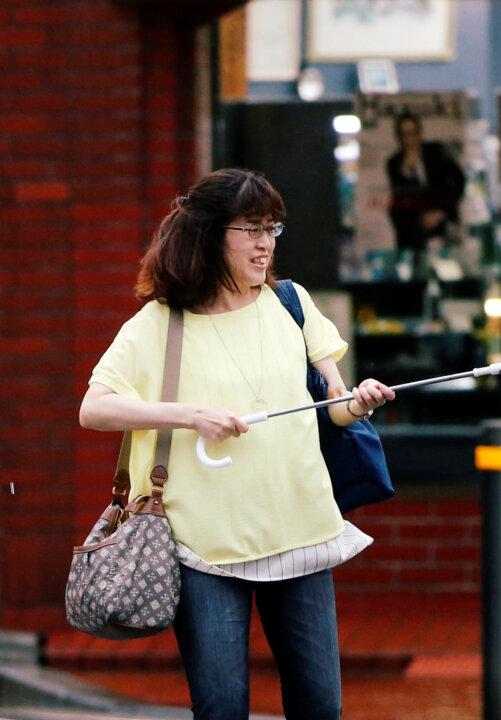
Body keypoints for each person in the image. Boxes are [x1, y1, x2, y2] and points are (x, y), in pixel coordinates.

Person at [79, 168, 395, 720]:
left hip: (299, 530)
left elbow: (336, 404)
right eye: (251, 229)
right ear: (209, 234)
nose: (265, 243)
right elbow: (94, 408)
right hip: (205, 547)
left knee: (320, 706)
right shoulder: (161, 323)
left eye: (272, 228)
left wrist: (361, 402)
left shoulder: (292, 304)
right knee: (222, 707)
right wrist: (190, 416)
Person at [385, 112, 465, 260]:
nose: (409, 139)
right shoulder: (394, 163)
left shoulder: (436, 152)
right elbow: (401, 195)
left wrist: (442, 212)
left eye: (412, 133)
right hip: (412, 232)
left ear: (420, 134)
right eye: (404, 134)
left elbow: (458, 181)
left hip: (442, 226)